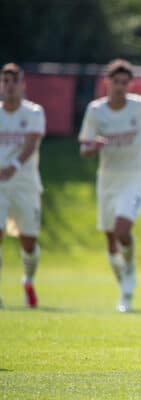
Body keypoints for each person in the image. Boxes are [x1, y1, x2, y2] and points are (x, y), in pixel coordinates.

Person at [79, 59, 141, 313]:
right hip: (107, 179)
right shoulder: (96, 111)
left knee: (122, 230)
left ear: (130, 84)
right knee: (110, 240)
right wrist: (92, 147)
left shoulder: (140, 106)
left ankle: (129, 277)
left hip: (134, 177)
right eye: (115, 81)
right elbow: (84, 148)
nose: (120, 87)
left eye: (124, 82)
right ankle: (124, 290)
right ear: (107, 82)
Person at [0, 63, 45, 309]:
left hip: (25, 184)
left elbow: (31, 143)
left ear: (22, 85)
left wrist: (13, 166)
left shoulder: (34, 112)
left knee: (28, 242)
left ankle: (28, 280)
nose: (9, 86)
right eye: (5, 81)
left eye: (13, 81)